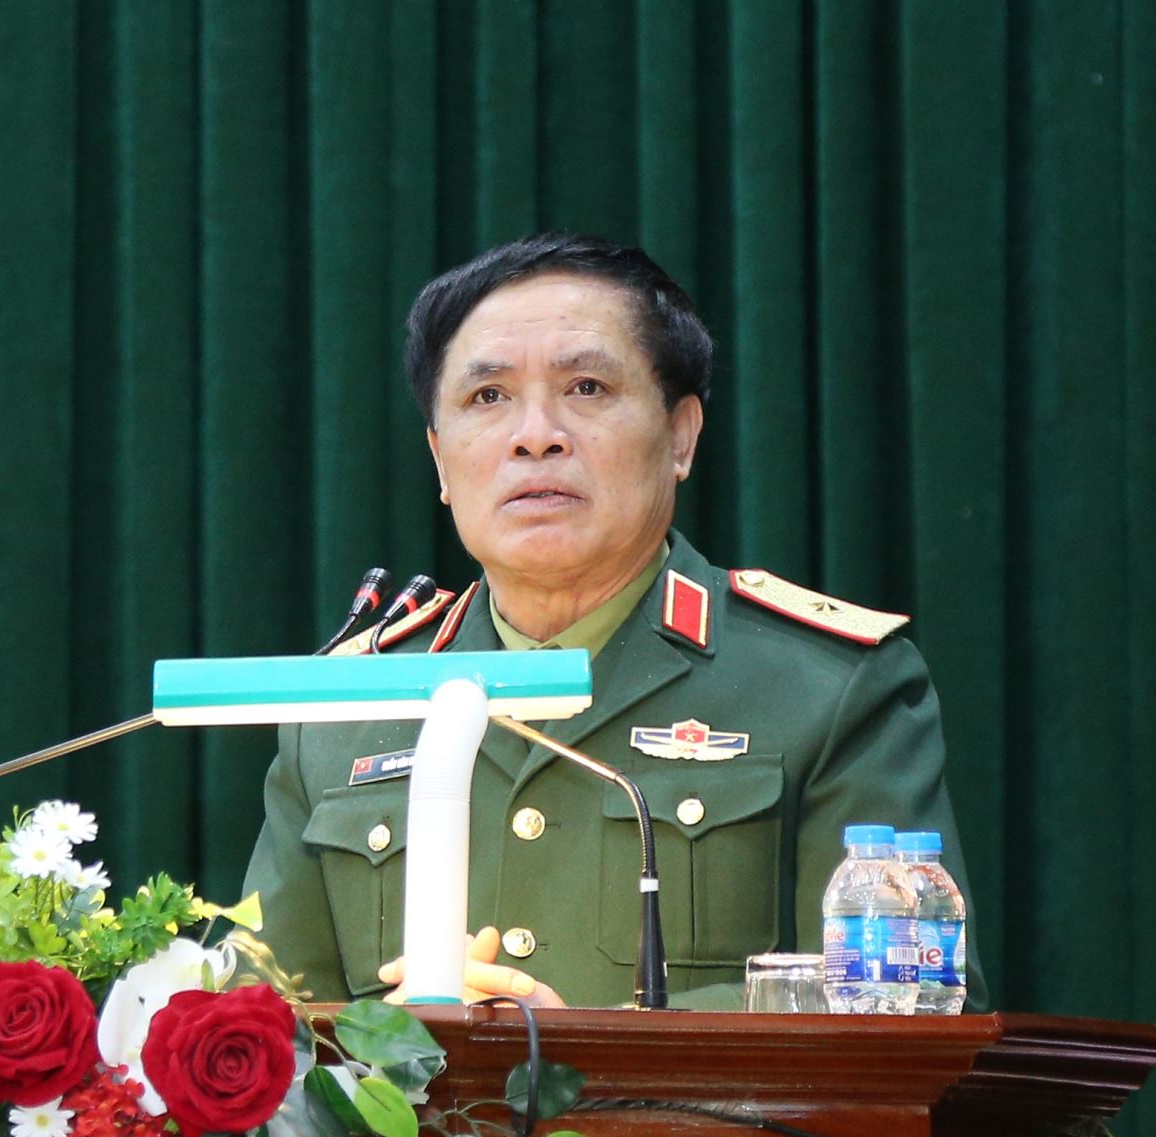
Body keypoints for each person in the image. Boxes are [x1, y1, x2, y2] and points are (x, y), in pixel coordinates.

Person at [241, 233, 986, 1011]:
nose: (535, 434)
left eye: (587, 387)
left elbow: (914, 1004)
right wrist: (387, 1049)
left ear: (681, 435)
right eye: (487, 397)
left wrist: (584, 1049)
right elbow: (258, 1030)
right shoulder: (344, 713)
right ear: (439, 459)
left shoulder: (829, 687)